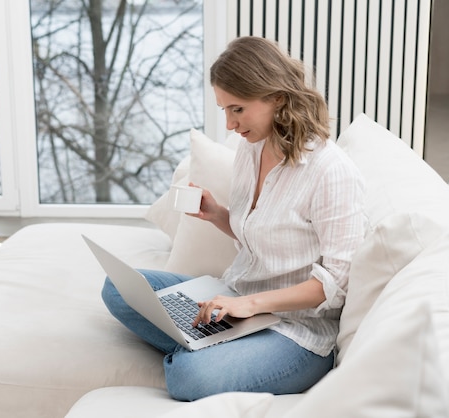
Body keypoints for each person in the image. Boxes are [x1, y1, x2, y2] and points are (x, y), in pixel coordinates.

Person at [101, 36, 367, 401]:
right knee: (119, 286)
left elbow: (335, 285)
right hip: (232, 301)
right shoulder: (250, 149)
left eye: (237, 109)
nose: (229, 124)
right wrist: (217, 215)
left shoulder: (331, 171)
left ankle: (204, 350)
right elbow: (259, 238)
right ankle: (212, 342)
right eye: (224, 109)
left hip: (294, 332)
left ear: (275, 97)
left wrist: (250, 306)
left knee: (188, 379)